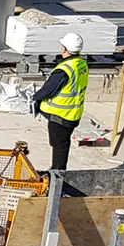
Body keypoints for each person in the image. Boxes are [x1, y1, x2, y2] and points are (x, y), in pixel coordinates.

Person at [32, 31, 88, 172]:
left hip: (60, 115)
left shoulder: (64, 70)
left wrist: (35, 97)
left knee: (59, 145)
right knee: (62, 144)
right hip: (73, 114)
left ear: (64, 49)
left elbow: (48, 89)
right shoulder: (81, 64)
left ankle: (57, 175)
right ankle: (57, 171)